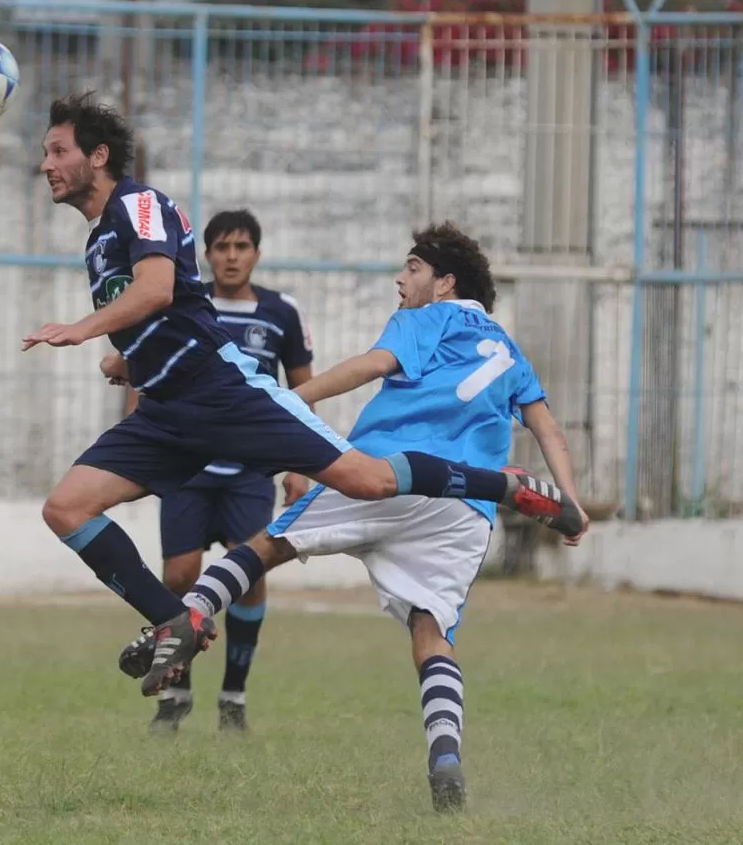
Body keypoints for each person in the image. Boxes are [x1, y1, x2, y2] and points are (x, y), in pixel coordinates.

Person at [23, 91, 585, 705]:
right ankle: (176, 621)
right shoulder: (99, 237)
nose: (45, 163)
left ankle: (502, 485)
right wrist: (128, 358)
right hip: (164, 412)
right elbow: (173, 307)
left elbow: (159, 288)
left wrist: (85, 327)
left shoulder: (139, 203)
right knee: (67, 509)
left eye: (59, 151)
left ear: (98, 155)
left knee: (366, 482)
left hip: (223, 392)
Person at [118, 223, 589, 813]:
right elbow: (547, 428)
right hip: (465, 509)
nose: (401, 278)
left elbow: (371, 365)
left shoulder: (428, 318)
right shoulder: (511, 352)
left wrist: (289, 401)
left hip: (389, 470)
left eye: (413, 268)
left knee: (267, 546)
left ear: (445, 283)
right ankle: (445, 755)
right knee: (431, 632)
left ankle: (186, 617)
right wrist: (570, 503)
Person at [124, 208, 316, 734]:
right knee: (180, 577)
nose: (232, 256)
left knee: (246, 573)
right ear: (205, 254)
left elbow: (302, 390)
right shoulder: (186, 304)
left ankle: (233, 694)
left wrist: (301, 464)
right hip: (187, 466)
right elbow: (151, 375)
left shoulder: (281, 313)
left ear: (256, 253)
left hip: (251, 468)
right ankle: (176, 693)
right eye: (222, 247)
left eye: (242, 247)